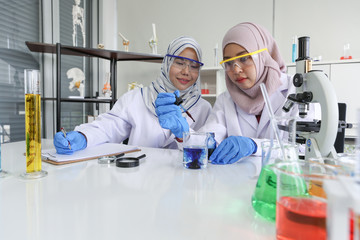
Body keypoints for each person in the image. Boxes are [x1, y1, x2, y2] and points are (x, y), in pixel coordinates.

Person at [54, 36, 212, 154]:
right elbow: (108, 127)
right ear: (167, 63)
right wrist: (83, 136)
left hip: (184, 185)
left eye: (194, 66)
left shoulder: (204, 109)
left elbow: (209, 151)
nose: (186, 72)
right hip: (139, 182)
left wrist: (183, 134)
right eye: (179, 62)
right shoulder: (137, 98)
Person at [199, 22, 314, 164]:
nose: (236, 70)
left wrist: (254, 146)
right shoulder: (225, 100)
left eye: (243, 58)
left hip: (281, 180)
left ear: (263, 56)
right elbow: (208, 138)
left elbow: (305, 148)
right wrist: (183, 135)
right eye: (228, 63)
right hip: (236, 181)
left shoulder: (296, 91)